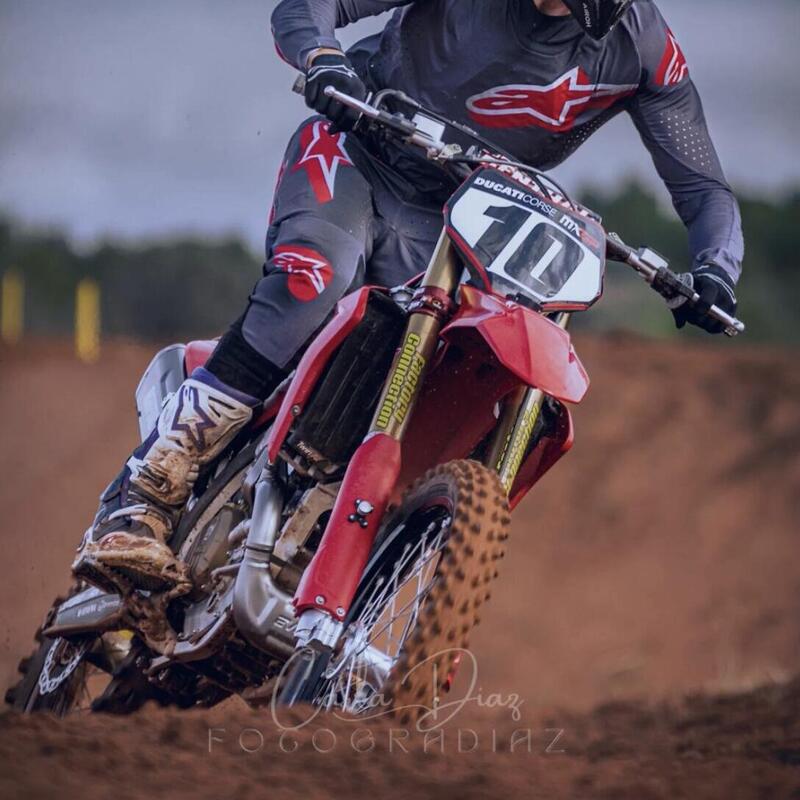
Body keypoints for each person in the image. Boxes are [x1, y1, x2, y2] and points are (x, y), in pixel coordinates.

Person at [72, 0, 743, 593]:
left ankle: (350, 568)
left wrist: (716, 271)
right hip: (357, 151)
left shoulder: (643, 46)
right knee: (314, 282)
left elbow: (704, 186)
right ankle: (143, 495)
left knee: (458, 366)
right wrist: (324, 59)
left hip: (460, 223)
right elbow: (309, 6)